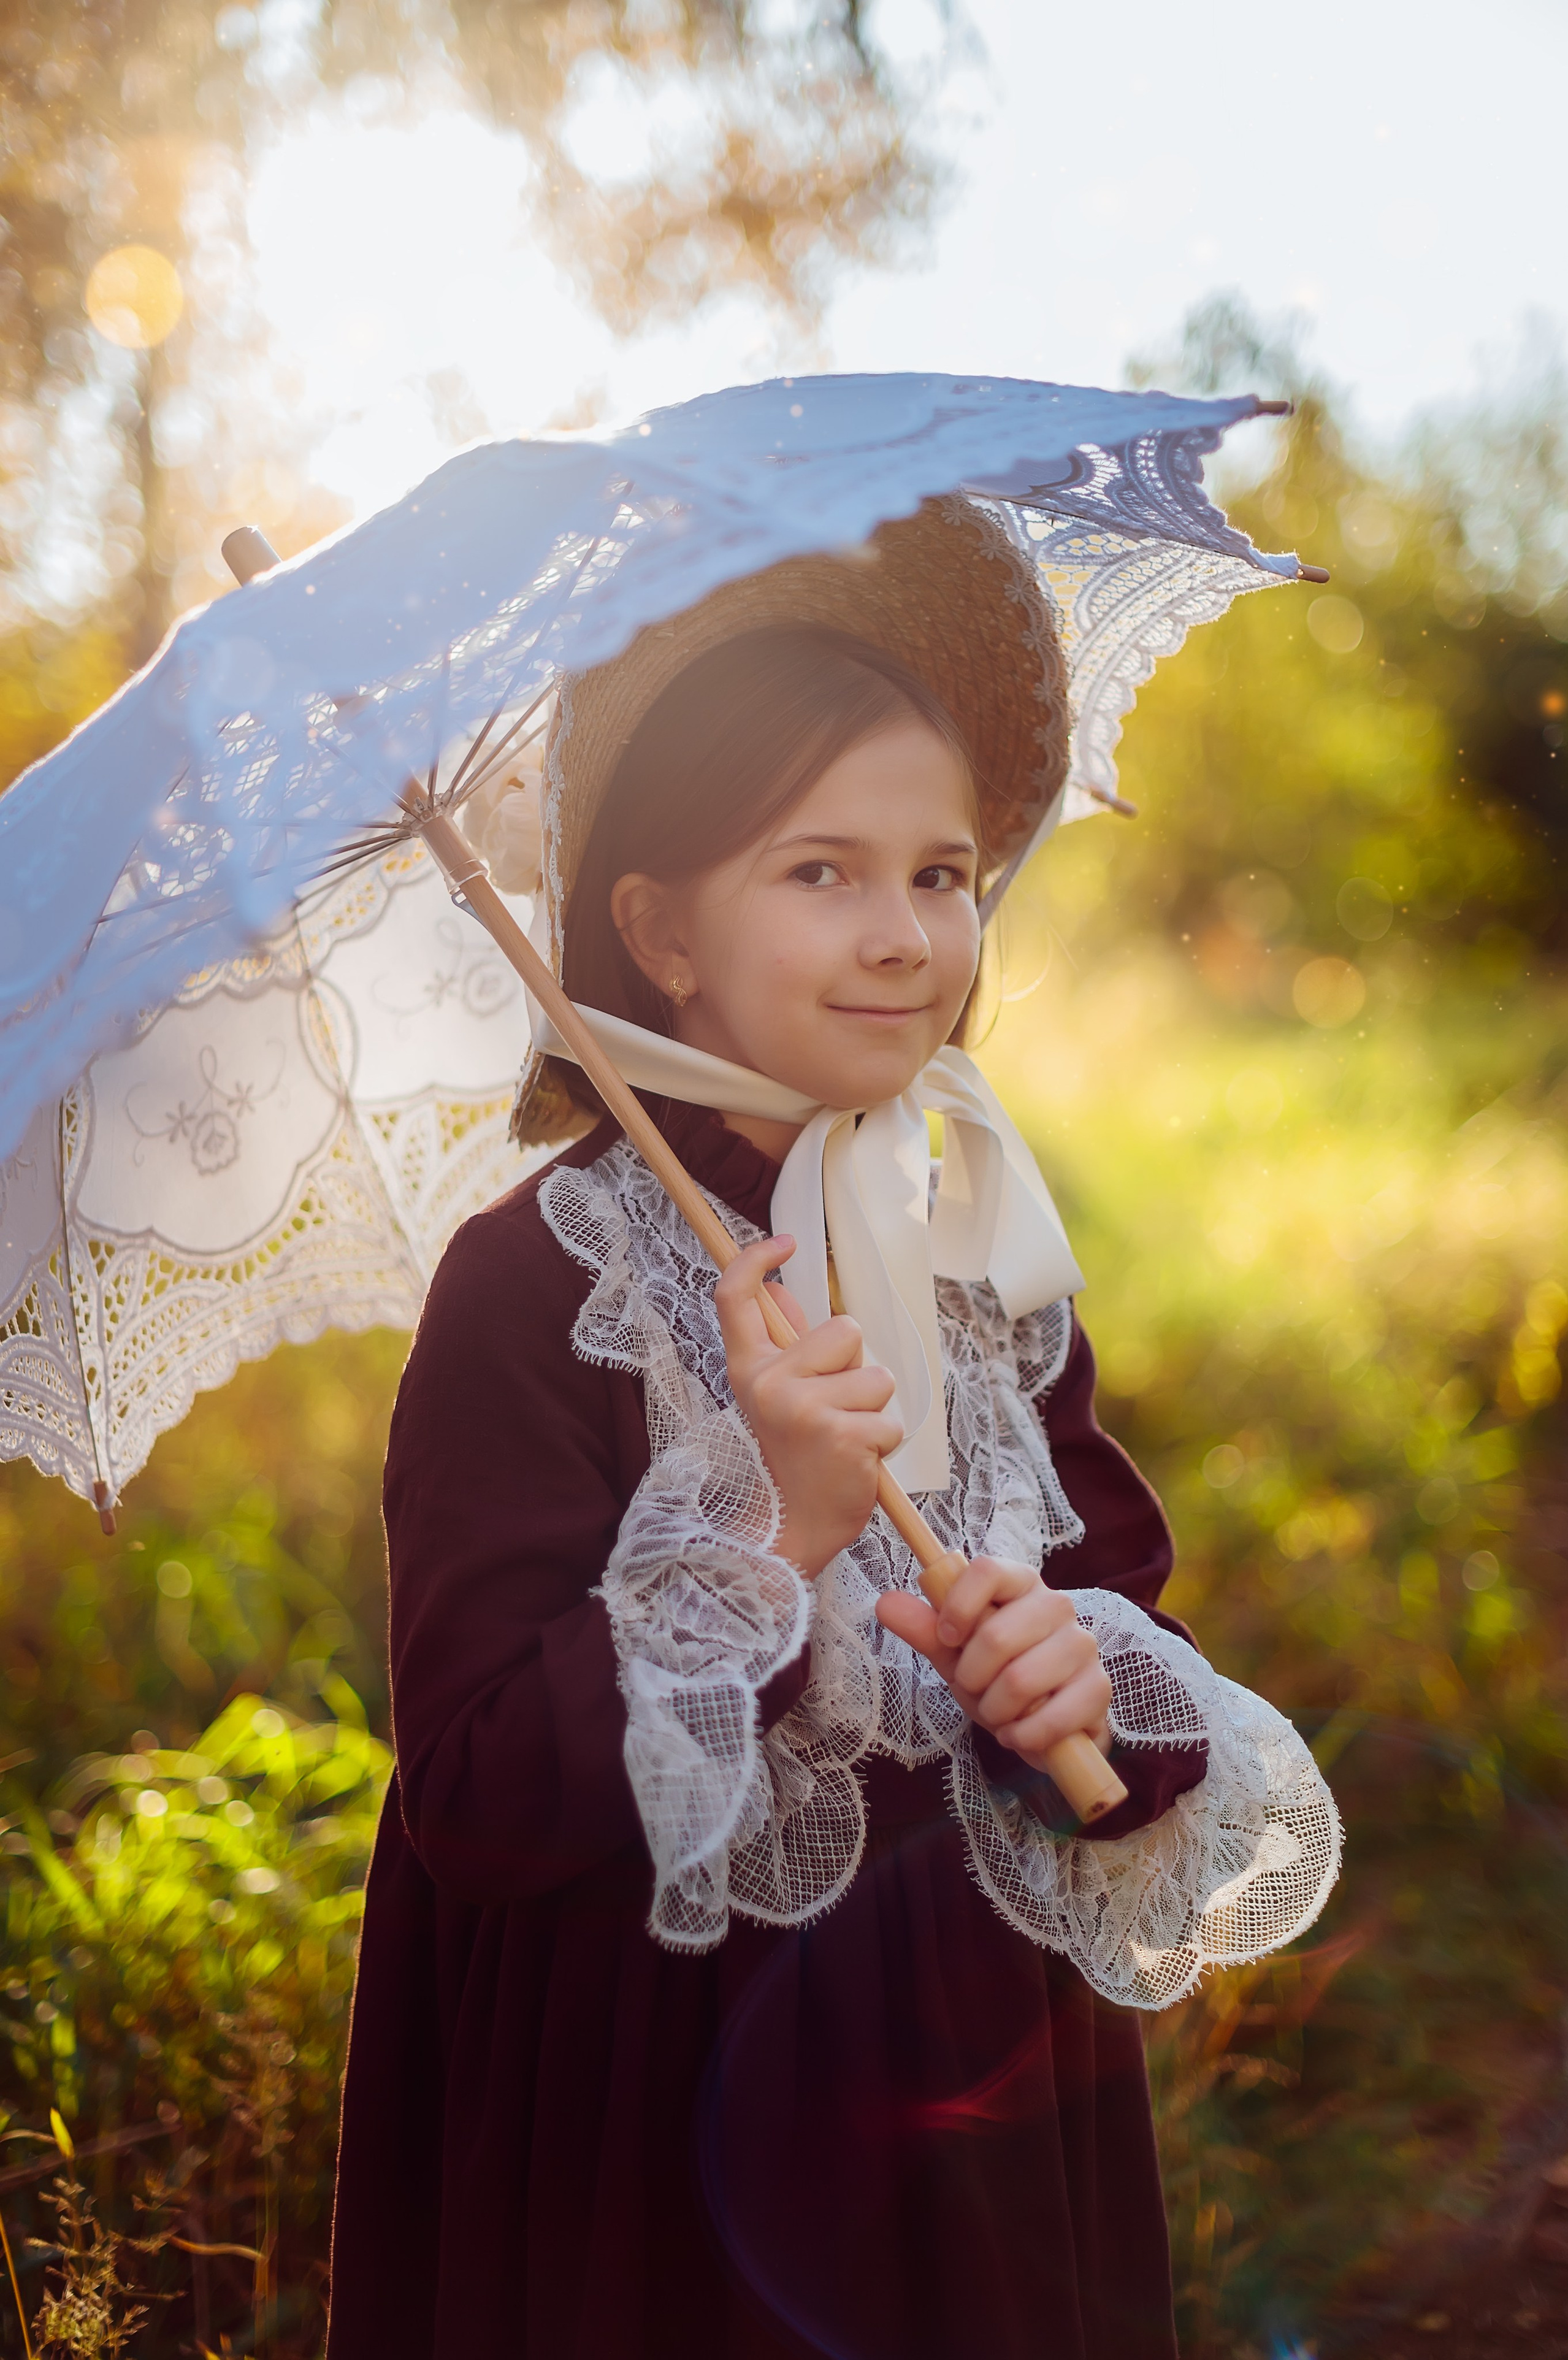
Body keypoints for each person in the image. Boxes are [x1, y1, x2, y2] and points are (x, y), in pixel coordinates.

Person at [326, 500, 1339, 2359]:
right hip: (661, 2078)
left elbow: (1118, 1607)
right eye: (821, 874)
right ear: (658, 931)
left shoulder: (969, 1246)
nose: (906, 939)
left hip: (971, 2064)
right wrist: (772, 1535)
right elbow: (473, 1792)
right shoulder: (536, 1283)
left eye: (943, 874)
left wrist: (1079, 1684)